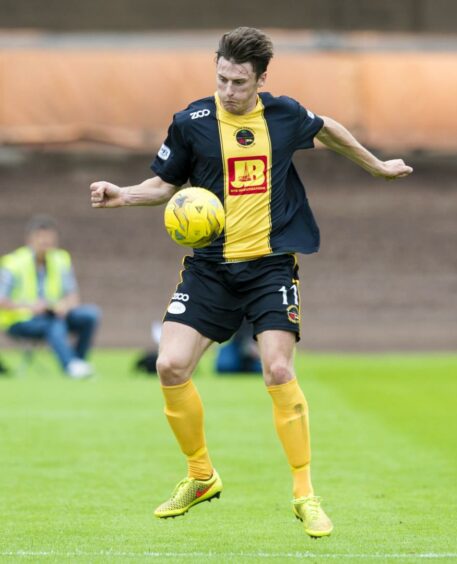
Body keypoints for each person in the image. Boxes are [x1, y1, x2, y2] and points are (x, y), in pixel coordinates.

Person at [90, 27, 412, 537]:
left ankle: (305, 494)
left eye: (239, 82)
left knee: (278, 371)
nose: (228, 91)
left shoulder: (283, 115)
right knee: (170, 365)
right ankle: (200, 476)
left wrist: (374, 166)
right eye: (221, 79)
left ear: (262, 78)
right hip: (210, 268)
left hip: (269, 266)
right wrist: (122, 195)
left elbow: (326, 127)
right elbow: (164, 184)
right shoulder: (191, 122)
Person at [0, 216, 101, 379]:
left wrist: (64, 306)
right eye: (41, 240)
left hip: (54, 314)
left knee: (90, 315)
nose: (45, 245)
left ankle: (78, 362)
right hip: (20, 320)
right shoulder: (13, 263)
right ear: (30, 240)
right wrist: (30, 306)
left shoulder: (61, 259)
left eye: (49, 241)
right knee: (53, 324)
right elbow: (1, 300)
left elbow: (73, 295)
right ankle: (70, 366)